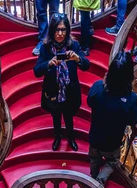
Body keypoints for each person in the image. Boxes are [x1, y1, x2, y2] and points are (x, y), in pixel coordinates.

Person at [34, 13, 90, 152]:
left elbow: (86, 65)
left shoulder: (74, 45)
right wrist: (49, 63)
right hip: (53, 92)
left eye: (63, 30)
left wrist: (78, 59)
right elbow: (36, 71)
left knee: (69, 117)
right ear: (52, 31)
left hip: (70, 91)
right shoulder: (45, 48)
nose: (60, 33)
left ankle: (71, 138)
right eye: (57, 30)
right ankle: (58, 137)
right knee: (56, 117)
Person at [87, 50, 137, 185]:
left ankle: (93, 178)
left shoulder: (98, 88)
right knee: (112, 161)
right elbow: (133, 120)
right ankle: (100, 181)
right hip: (112, 142)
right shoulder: (130, 99)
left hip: (95, 137)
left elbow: (89, 102)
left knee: (94, 158)